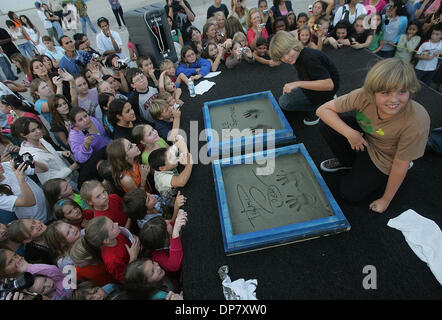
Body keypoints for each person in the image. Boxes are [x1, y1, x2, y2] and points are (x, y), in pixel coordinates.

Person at [316, 58, 430, 214]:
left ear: (411, 90)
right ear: (373, 91)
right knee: (328, 125)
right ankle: (348, 163)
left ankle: (375, 172)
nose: (394, 100)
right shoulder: (363, 95)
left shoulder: (416, 120)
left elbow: (399, 164)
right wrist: (350, 133)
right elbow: (322, 110)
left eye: (402, 91)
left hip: (385, 157)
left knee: (349, 194)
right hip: (364, 139)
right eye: (386, 92)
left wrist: (386, 200)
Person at [269, 31, 340, 125]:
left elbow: (329, 85)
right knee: (286, 96)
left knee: (284, 102)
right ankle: (326, 99)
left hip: (327, 88)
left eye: (287, 52)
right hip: (320, 82)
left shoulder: (308, 58)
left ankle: (320, 107)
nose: (286, 58)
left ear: (293, 44)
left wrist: (297, 83)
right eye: (281, 56)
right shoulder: (298, 55)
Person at [11, 117, 79, 187]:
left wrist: (61, 153)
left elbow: (49, 154)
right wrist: (71, 168)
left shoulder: (40, 139)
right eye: (33, 130)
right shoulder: (33, 156)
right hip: (62, 185)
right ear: (23, 135)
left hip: (69, 175)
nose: (39, 131)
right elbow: (49, 179)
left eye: (38, 127)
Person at [74, 215, 140, 283]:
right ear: (106, 240)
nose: (116, 223)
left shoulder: (115, 234)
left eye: (113, 222)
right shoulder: (112, 261)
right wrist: (133, 258)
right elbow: (123, 279)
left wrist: (133, 238)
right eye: (112, 227)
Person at [0, 158, 50, 223]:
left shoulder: (7, 165)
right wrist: (20, 179)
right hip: (38, 221)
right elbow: (29, 202)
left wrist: (33, 162)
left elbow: (44, 169)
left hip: (49, 206)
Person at [138, 210, 187, 274]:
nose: (167, 221)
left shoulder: (166, 229)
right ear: (165, 240)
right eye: (165, 224)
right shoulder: (157, 256)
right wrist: (175, 235)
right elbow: (174, 266)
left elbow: (174, 223)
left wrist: (180, 215)